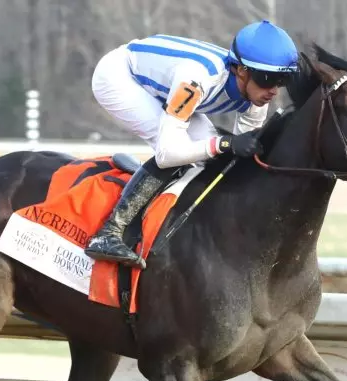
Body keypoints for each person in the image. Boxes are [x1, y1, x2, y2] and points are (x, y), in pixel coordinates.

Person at [85, 20, 299, 269]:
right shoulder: (196, 80)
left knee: (209, 153)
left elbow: (241, 160)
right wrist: (225, 143)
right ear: (241, 70)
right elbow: (168, 154)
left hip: (163, 83)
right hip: (120, 77)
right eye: (268, 78)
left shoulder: (256, 96)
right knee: (181, 150)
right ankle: (110, 232)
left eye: (281, 80)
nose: (273, 90)